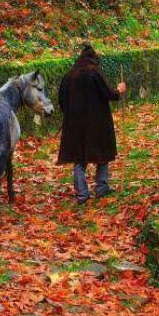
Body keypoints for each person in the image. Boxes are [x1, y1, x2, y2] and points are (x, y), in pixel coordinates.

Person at [57, 44, 126, 205]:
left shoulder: (69, 76)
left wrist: (70, 114)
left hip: (75, 125)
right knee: (102, 153)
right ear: (94, 59)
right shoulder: (94, 73)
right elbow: (109, 93)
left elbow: (61, 100)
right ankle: (101, 187)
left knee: (79, 158)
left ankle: (82, 194)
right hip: (97, 123)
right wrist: (119, 90)